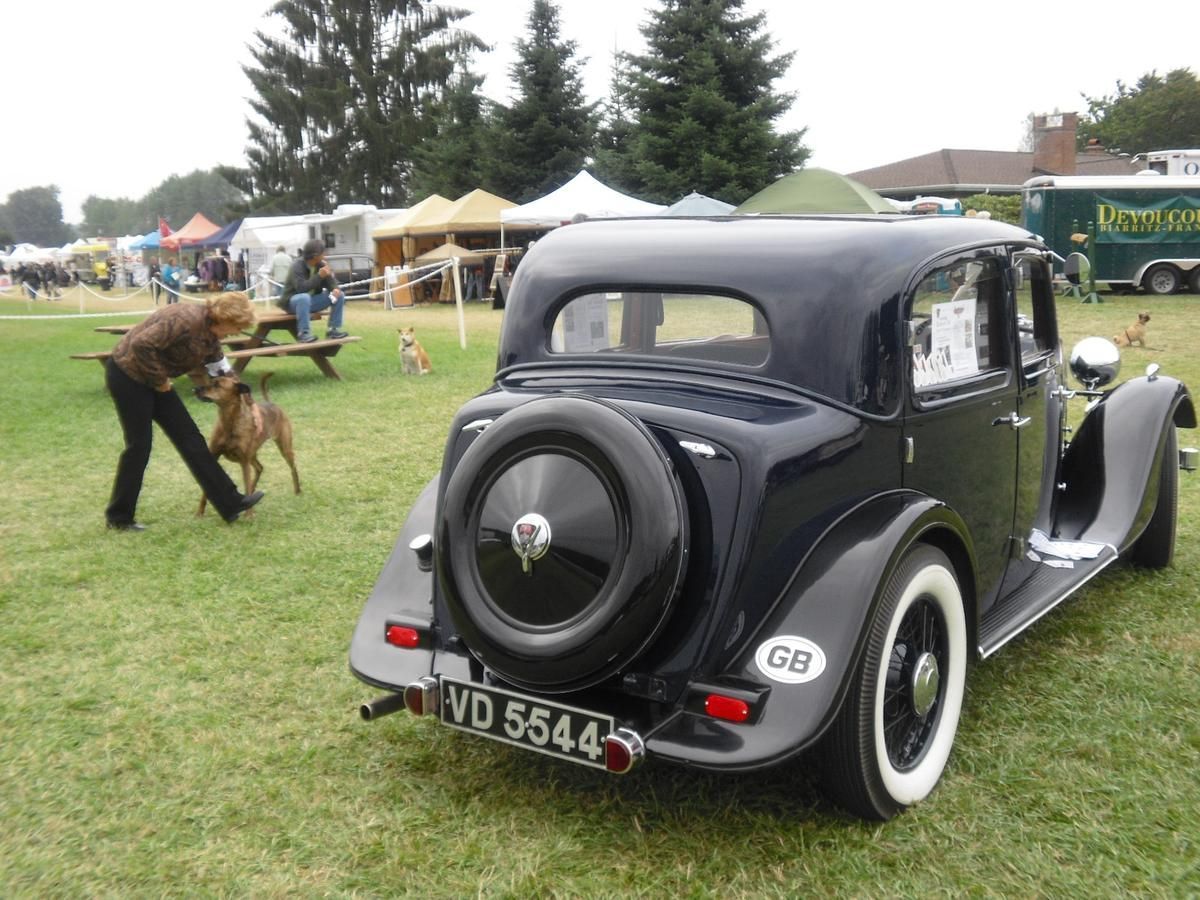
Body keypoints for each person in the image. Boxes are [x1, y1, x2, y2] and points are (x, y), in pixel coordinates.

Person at [104, 292, 265, 530]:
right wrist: (160, 381)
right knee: (140, 446)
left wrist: (252, 406)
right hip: (128, 376)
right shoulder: (185, 320)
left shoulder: (210, 337)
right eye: (236, 326)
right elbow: (142, 344)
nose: (236, 332)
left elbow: (224, 373)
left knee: (190, 438)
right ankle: (119, 517)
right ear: (224, 317)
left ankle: (231, 503)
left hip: (155, 382)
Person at [276, 239, 348, 343]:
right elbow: (301, 288)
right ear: (315, 255)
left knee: (339, 295)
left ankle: (333, 330)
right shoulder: (296, 266)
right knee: (304, 297)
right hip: (293, 304)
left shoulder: (321, 265)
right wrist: (319, 276)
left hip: (312, 302)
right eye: (323, 253)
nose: (324, 255)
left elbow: (331, 283)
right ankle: (304, 334)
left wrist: (335, 289)